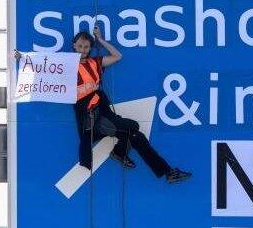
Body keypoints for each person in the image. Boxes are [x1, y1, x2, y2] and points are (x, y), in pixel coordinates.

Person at [73, 27, 192, 184]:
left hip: (104, 115)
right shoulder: (66, 66)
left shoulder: (94, 62)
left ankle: (167, 172)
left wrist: (100, 39)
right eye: (80, 46)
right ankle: (119, 153)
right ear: (74, 45)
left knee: (136, 136)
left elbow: (117, 56)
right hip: (91, 121)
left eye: (86, 46)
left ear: (90, 48)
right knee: (133, 126)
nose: (83, 49)